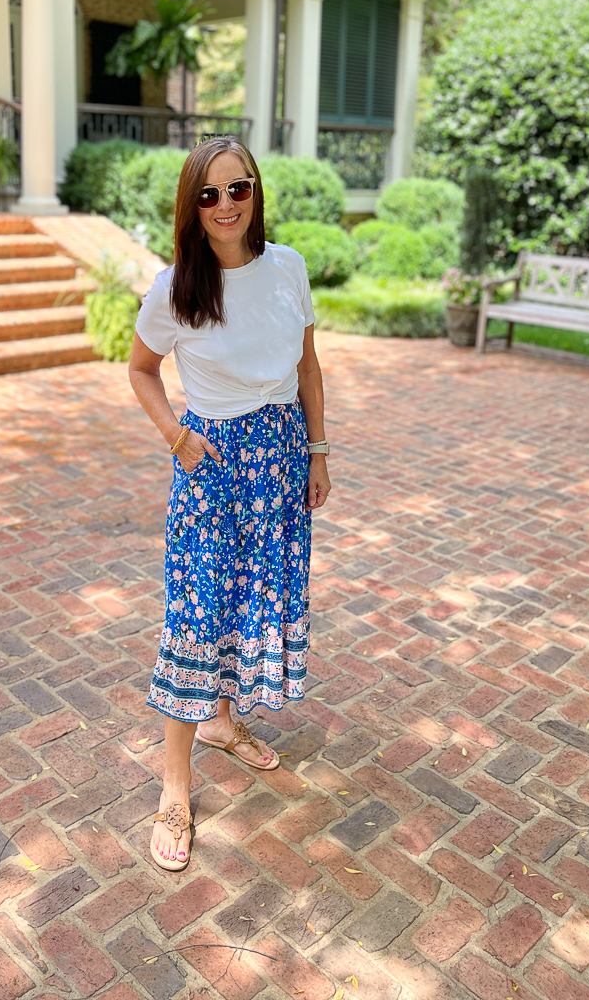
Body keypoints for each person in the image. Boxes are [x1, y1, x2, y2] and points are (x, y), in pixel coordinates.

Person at [128, 134, 331, 871]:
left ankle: (223, 721)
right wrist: (174, 436)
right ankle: (174, 787)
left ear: (255, 192)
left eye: (237, 189)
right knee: (196, 612)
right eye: (209, 194)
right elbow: (142, 370)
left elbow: (308, 367)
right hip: (211, 464)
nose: (225, 206)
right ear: (192, 203)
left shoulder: (289, 269)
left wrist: (317, 449)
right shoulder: (175, 286)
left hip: (279, 460)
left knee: (248, 601)